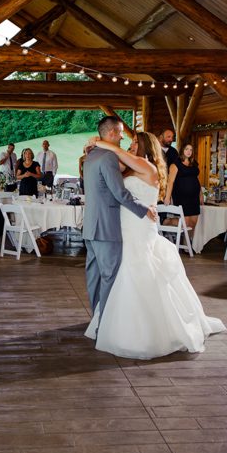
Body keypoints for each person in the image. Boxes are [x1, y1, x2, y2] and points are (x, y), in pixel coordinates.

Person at [83, 129, 225, 360]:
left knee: (136, 271)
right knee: (122, 273)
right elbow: (110, 169)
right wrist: (93, 149)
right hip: (127, 225)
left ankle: (144, 330)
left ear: (146, 146)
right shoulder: (131, 166)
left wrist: (99, 141)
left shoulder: (144, 165)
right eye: (130, 142)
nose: (130, 145)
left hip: (138, 226)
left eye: (135, 142)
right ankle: (116, 321)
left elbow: (117, 156)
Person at [81, 116, 157, 326]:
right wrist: (144, 210)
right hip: (106, 229)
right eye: (122, 133)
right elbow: (120, 194)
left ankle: (97, 318)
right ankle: (105, 324)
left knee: (94, 278)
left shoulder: (92, 156)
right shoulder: (108, 157)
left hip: (91, 227)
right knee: (109, 277)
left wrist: (93, 143)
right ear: (112, 133)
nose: (124, 138)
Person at [165, 143, 202, 231]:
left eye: (191, 150)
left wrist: (200, 195)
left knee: (193, 223)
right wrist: (167, 197)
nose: (189, 151)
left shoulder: (194, 163)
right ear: (182, 150)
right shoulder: (175, 164)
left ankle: (188, 244)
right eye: (186, 149)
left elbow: (197, 180)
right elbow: (171, 181)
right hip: (182, 197)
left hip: (194, 198)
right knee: (185, 223)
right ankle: (167, 221)